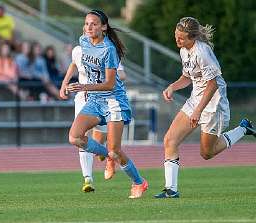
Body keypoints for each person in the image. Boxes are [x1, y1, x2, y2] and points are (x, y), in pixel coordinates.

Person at [154, 17, 256, 199]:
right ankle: (171, 190)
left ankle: (243, 128)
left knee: (206, 153)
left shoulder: (202, 52)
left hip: (213, 106)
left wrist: (198, 111)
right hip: (196, 101)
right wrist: (172, 87)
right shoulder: (185, 51)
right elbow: (187, 77)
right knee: (170, 139)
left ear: (192, 37)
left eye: (181, 38)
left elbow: (213, 85)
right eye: (176, 36)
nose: (177, 40)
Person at [67, 9, 148, 199]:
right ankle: (109, 156)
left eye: (94, 24)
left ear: (103, 27)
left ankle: (139, 182)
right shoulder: (83, 41)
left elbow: (110, 84)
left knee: (115, 150)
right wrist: (67, 82)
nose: (89, 27)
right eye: (86, 23)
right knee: (75, 137)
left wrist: (83, 86)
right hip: (95, 100)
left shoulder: (109, 49)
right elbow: (76, 62)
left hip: (113, 101)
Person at [60, 44, 126, 192]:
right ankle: (88, 179)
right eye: (86, 26)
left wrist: (108, 77)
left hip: (102, 98)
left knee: (100, 138)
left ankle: (110, 155)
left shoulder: (108, 51)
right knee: (80, 137)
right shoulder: (78, 50)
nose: (89, 30)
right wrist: (64, 84)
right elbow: (73, 64)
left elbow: (122, 74)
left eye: (93, 25)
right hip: (82, 98)